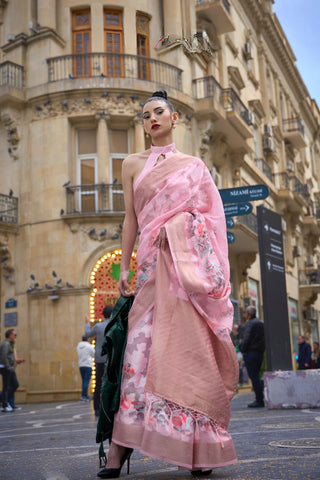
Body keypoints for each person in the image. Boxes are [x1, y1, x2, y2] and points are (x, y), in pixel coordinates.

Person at [97, 90, 238, 478]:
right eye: (145, 115)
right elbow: (131, 219)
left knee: (188, 355)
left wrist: (178, 227)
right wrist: (123, 267)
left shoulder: (193, 166)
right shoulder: (131, 164)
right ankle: (119, 451)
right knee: (137, 357)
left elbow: (210, 218)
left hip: (183, 274)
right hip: (148, 272)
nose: (152, 118)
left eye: (159, 112)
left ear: (175, 118)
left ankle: (198, 450)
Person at [85, 305, 114, 416]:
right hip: (112, 358)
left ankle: (97, 408)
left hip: (100, 358)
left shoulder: (98, 326)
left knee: (98, 383)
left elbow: (87, 335)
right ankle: (111, 407)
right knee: (112, 382)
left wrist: (87, 323)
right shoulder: (115, 325)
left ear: (103, 314)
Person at [239, 306, 265, 408]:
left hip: (251, 353)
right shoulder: (261, 323)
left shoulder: (250, 324)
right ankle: (260, 398)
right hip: (259, 353)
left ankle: (259, 400)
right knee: (256, 376)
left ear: (248, 314)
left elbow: (247, 338)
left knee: (254, 377)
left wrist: (242, 349)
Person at [0, 328, 22, 412]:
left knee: (15, 385)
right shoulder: (5, 344)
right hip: (5, 368)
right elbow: (4, 357)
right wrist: (8, 367)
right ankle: (5, 404)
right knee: (6, 386)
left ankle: (5, 401)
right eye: (14, 335)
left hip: (9, 367)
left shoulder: (9, 344)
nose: (15, 336)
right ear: (10, 335)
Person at [77, 336, 95, 401]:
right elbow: (94, 354)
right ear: (87, 339)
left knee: (84, 381)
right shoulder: (89, 346)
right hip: (87, 365)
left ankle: (84, 395)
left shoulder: (78, 346)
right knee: (86, 381)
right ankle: (84, 396)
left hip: (81, 365)